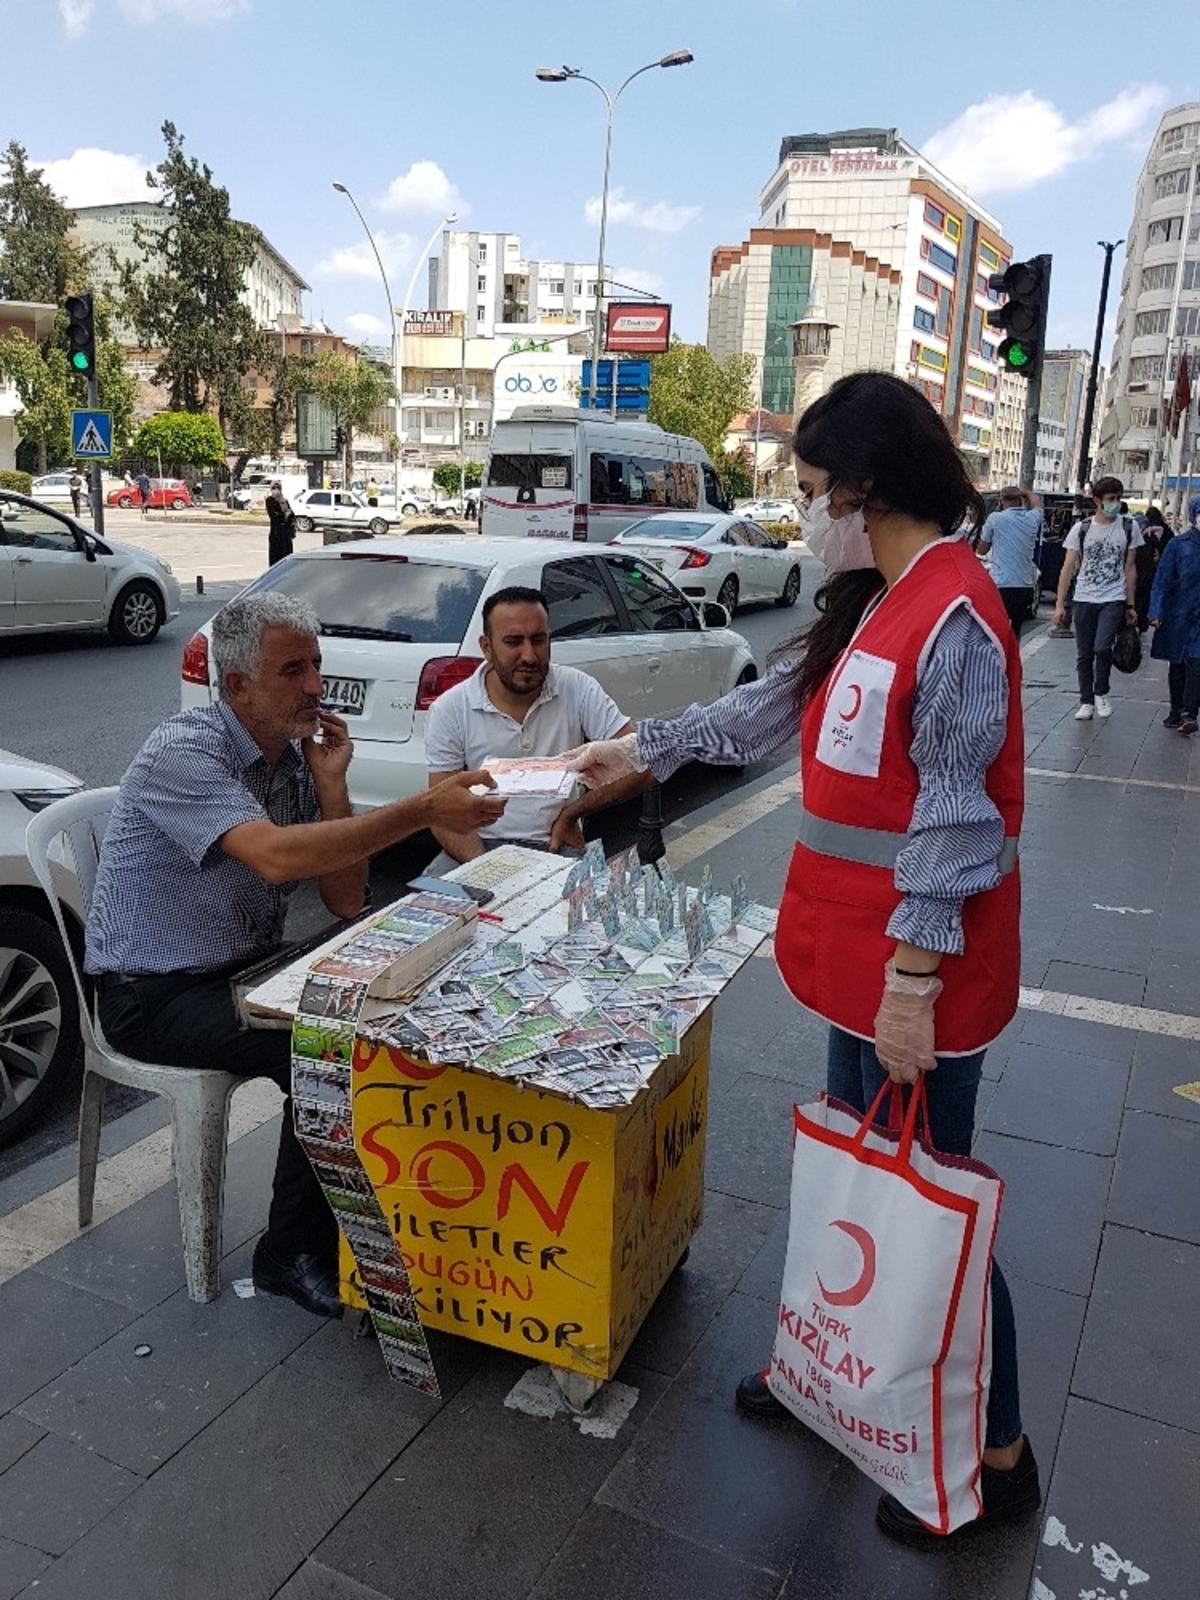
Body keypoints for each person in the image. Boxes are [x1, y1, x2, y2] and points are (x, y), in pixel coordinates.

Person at [564, 371, 1038, 1547]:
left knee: (925, 1204)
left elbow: (955, 816)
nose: (808, 505)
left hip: (910, 978)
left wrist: (915, 983)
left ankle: (1001, 1453)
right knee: (854, 1178)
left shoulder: (956, 610)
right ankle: (828, 1371)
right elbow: (770, 710)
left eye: (817, 486)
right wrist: (649, 752)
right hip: (848, 957)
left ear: (868, 483)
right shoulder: (879, 596)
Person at [85, 592, 505, 1317]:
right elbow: (276, 860)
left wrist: (334, 787)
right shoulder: (184, 749)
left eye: (316, 665)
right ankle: (288, 1253)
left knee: (387, 994)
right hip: (148, 993)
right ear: (238, 686)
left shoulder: (290, 760)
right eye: (292, 670)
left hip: (241, 969)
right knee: (326, 1049)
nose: (315, 685)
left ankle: (377, 1210)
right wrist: (422, 810)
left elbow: (345, 898)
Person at [424, 585, 647, 868]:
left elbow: (641, 761)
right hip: (475, 848)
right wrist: (485, 870)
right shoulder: (450, 708)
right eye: (514, 642)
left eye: (538, 640)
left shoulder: (578, 689)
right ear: (486, 647)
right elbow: (441, 810)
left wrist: (574, 812)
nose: (529, 655)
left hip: (554, 843)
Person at [1054, 476, 1141, 720]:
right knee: (1084, 652)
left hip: (1113, 597)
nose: (1115, 503)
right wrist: (1060, 604)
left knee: (1103, 647)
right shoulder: (1081, 529)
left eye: (1118, 498)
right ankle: (1086, 701)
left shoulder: (1129, 527)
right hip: (1084, 597)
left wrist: (1130, 603)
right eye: (1110, 499)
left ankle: (1101, 692)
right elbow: (1067, 568)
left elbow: (1130, 567)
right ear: (1097, 501)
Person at [1149, 516, 1200, 733]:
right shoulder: (1177, 545)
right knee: (1178, 662)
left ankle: (1190, 713)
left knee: (1197, 663)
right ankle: (1176, 710)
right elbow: (1162, 579)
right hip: (1179, 613)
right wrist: (1156, 611)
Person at [977, 485, 1043, 637]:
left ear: (1001, 501)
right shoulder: (1032, 518)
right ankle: (1013, 657)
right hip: (1025, 586)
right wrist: (1025, 492)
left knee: (996, 629)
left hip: (1002, 585)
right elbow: (1037, 503)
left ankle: (999, 658)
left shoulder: (995, 518)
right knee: (1016, 630)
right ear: (1020, 500)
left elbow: (982, 550)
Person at [1134, 506, 1173, 632]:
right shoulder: (1167, 532)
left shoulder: (1143, 531)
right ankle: (1145, 620)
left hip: (1142, 570)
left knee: (1140, 596)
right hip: (1157, 571)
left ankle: (1138, 620)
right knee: (1148, 596)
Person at [265, 481, 296, 567]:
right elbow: (274, 516)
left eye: (278, 488)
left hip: (286, 535)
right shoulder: (270, 500)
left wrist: (288, 515)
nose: (276, 491)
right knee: (275, 559)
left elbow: (291, 516)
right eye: (274, 488)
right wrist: (284, 514)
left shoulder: (285, 501)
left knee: (286, 558)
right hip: (276, 534)